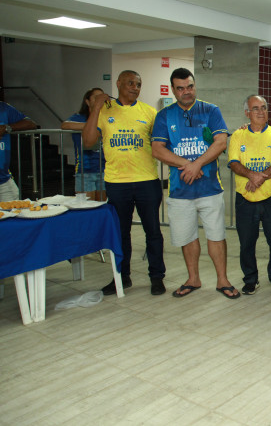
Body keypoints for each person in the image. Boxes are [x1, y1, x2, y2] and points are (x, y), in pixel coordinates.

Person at [151, 68, 239, 300]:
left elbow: (220, 142)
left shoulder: (211, 110)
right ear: (173, 90)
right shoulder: (164, 115)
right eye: (180, 88)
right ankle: (193, 279)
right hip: (180, 190)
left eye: (190, 86)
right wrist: (187, 165)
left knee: (216, 235)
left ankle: (222, 280)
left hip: (210, 188)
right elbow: (157, 149)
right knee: (187, 237)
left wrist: (197, 164)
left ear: (194, 85)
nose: (186, 91)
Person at [83, 70, 166, 296]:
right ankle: (122, 277)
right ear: (118, 83)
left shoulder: (149, 112)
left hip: (147, 181)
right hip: (117, 183)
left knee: (153, 231)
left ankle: (157, 277)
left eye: (138, 84)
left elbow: (162, 143)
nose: (134, 87)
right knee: (121, 233)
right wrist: (96, 108)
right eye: (130, 83)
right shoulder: (104, 110)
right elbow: (88, 141)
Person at [229, 95, 271, 297]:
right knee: (246, 242)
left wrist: (259, 177)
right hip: (245, 199)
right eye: (255, 108)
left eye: (264, 107)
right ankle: (250, 279)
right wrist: (251, 175)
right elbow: (234, 163)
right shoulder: (238, 135)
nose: (261, 112)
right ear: (247, 113)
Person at [61, 88, 107, 201]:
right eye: (96, 98)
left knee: (102, 205)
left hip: (105, 169)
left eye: (101, 97)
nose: (99, 100)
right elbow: (65, 125)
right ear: (87, 101)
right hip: (85, 170)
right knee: (86, 205)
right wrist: (91, 127)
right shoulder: (79, 117)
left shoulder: (106, 117)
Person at [0, 102, 37, 201]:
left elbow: (31, 123)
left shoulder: (3, 108)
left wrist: (6, 127)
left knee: (14, 208)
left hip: (3, 180)